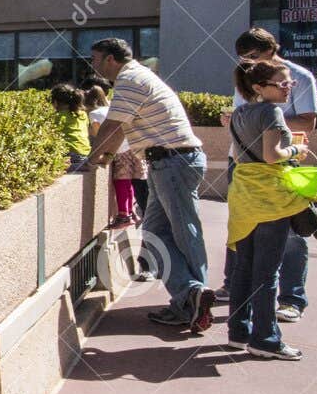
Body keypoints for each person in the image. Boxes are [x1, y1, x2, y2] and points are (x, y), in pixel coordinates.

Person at [86, 38, 215, 332]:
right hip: (165, 163)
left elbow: (112, 126)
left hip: (172, 162)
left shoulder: (130, 79)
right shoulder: (138, 76)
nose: (92, 65)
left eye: (95, 58)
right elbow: (119, 131)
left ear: (110, 59)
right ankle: (190, 296)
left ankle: (193, 300)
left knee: (185, 234)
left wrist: (91, 160)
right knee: (156, 233)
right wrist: (102, 157)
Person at [219, 27, 317, 321]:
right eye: (242, 57)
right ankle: (236, 286)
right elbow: (247, 116)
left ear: (270, 50)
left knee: (290, 234)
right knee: (241, 225)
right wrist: (239, 119)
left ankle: (291, 298)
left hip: (280, 166)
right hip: (243, 163)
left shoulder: (298, 78)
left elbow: (308, 122)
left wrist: (264, 117)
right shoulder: (246, 79)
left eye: (252, 55)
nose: (246, 61)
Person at [226, 57, 311, 360]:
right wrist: (297, 150)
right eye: (283, 84)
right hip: (270, 200)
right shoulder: (271, 111)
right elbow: (273, 156)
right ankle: (265, 339)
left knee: (243, 269)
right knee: (267, 273)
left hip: (243, 197)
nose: (289, 89)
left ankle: (238, 332)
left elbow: (237, 156)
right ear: (260, 86)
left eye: (291, 83)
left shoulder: (239, 112)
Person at [86, 84, 142, 229]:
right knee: (129, 182)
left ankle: (123, 215)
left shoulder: (94, 114)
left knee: (121, 181)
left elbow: (100, 136)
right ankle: (131, 211)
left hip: (119, 150)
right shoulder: (111, 107)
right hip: (132, 147)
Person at [50, 83, 91, 172]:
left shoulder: (57, 117)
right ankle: (80, 165)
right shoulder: (82, 114)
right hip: (86, 153)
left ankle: (73, 167)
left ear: (55, 102)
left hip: (71, 155)